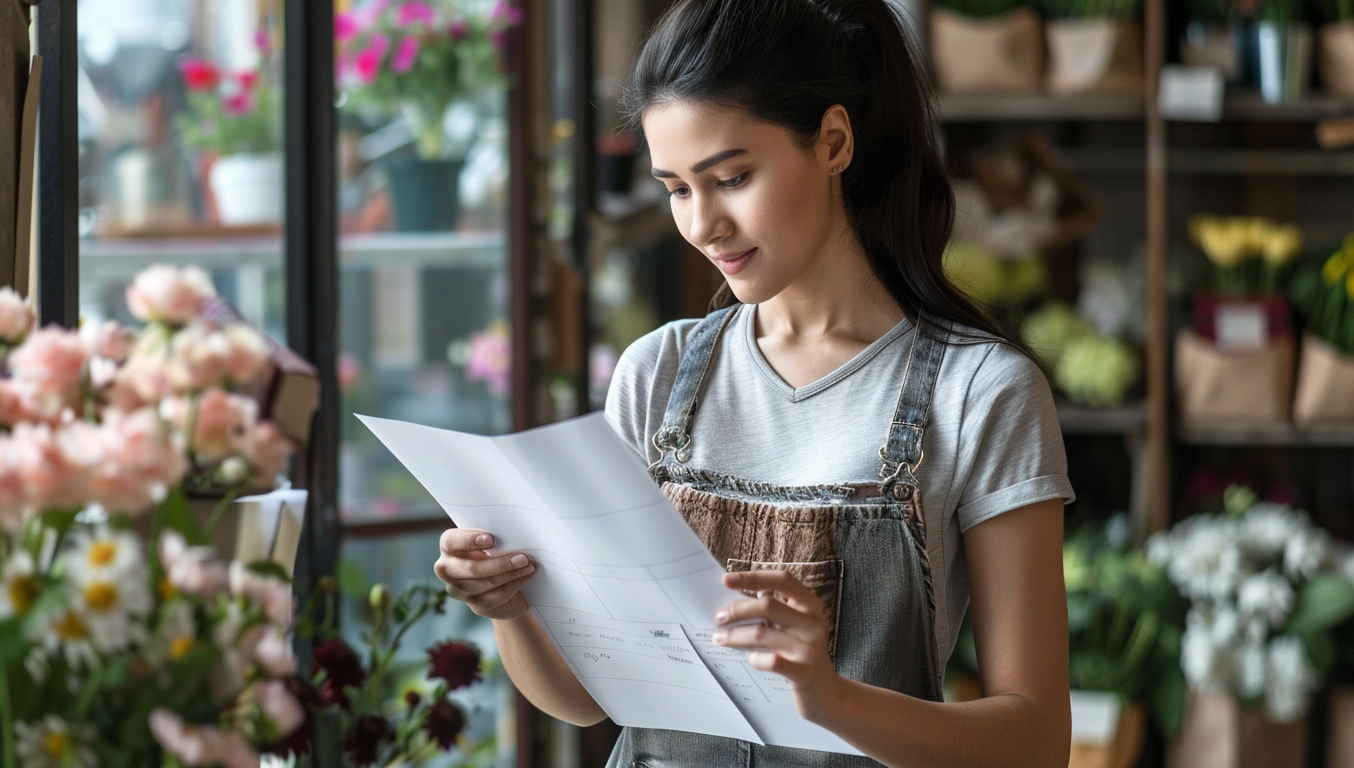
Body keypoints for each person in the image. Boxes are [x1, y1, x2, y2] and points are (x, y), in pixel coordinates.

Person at [433, 0, 1074, 764]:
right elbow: (586, 700)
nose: (703, 223)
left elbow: (1035, 742)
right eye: (676, 188)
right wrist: (511, 610)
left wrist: (831, 700)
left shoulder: (980, 394)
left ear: (834, 141)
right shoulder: (656, 375)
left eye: (730, 177)